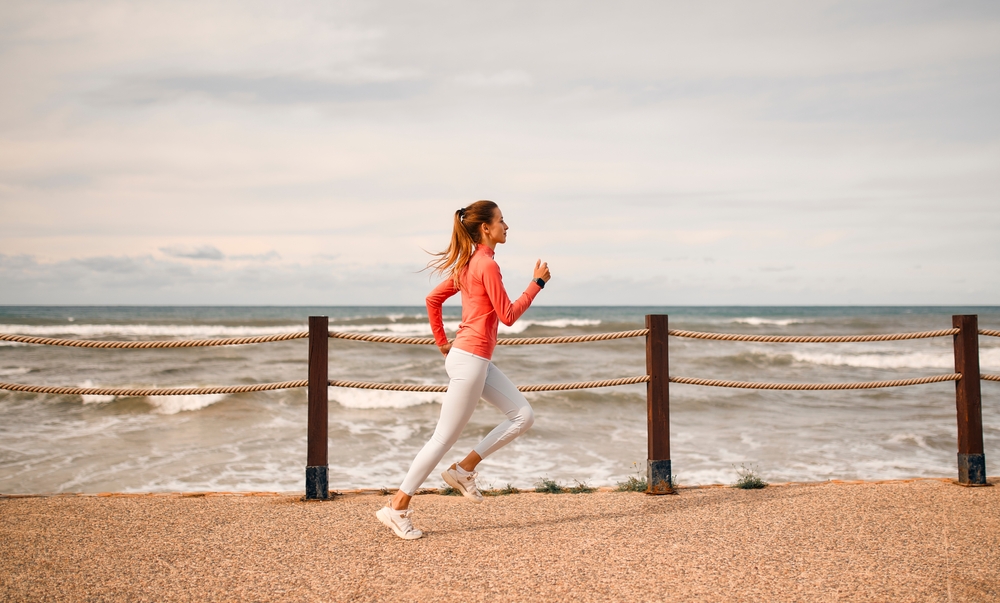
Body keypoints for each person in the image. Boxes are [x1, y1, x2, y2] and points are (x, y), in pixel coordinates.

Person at [376, 200, 551, 540]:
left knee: (523, 415)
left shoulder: (471, 264)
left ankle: (464, 469)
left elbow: (432, 300)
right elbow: (509, 316)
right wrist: (537, 284)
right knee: (442, 438)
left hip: (472, 358)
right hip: (470, 360)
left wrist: (443, 342)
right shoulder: (484, 265)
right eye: (501, 220)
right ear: (486, 228)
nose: (506, 226)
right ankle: (397, 508)